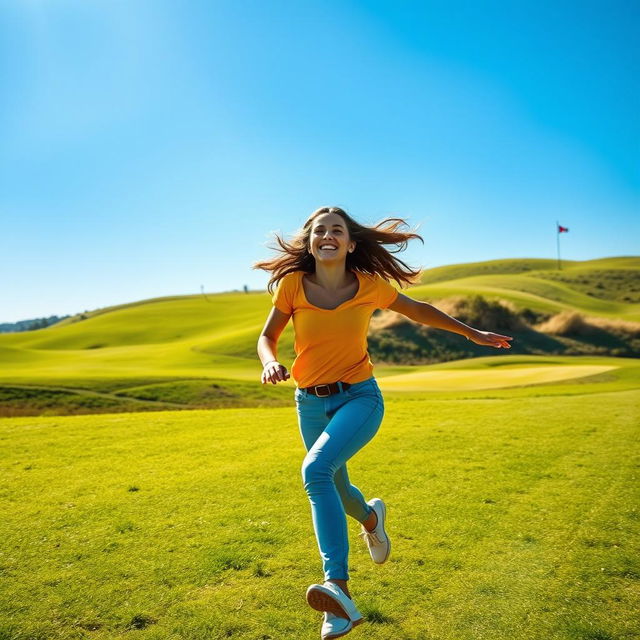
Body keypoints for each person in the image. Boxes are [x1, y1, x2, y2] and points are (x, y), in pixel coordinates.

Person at [254, 206, 513, 639]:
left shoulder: (369, 285)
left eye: (337, 230)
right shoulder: (292, 286)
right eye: (320, 231)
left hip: (359, 396)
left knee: (316, 471)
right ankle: (372, 519)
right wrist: (268, 362)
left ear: (351, 243)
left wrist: (472, 333)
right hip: (309, 402)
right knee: (334, 485)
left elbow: (419, 309)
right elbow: (267, 337)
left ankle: (337, 591)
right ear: (310, 242)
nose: (328, 236)